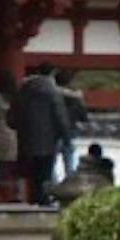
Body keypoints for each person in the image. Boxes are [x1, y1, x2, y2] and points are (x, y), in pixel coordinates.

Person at [11, 63, 74, 209]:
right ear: (52, 73)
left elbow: (13, 115)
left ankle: (33, 198)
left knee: (32, 172)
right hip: (48, 138)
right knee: (45, 171)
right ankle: (43, 199)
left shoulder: (23, 90)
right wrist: (66, 137)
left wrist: (18, 127)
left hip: (26, 137)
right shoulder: (52, 92)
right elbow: (60, 116)